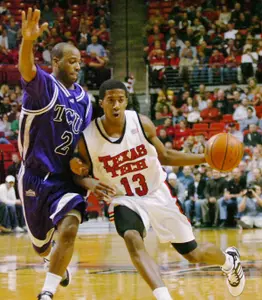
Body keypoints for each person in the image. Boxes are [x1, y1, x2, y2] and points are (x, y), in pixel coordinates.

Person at [72, 79, 245, 300]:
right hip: (124, 199)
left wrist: (204, 158)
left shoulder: (141, 124)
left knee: (193, 254)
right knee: (133, 239)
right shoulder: (87, 139)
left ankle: (229, 261)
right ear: (102, 102)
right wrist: (89, 182)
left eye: (120, 100)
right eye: (110, 100)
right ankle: (164, 297)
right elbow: (76, 173)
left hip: (157, 192)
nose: (115, 105)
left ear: (126, 102)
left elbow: (166, 156)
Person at [17, 9, 97, 300]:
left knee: (71, 224)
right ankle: (52, 260)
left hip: (64, 180)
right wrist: (28, 42)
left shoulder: (85, 100)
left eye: (79, 61)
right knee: (40, 246)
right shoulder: (44, 88)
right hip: (35, 177)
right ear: (57, 62)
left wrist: (84, 165)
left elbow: (84, 145)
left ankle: (47, 292)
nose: (78, 66)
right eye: (72, 60)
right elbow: (26, 68)